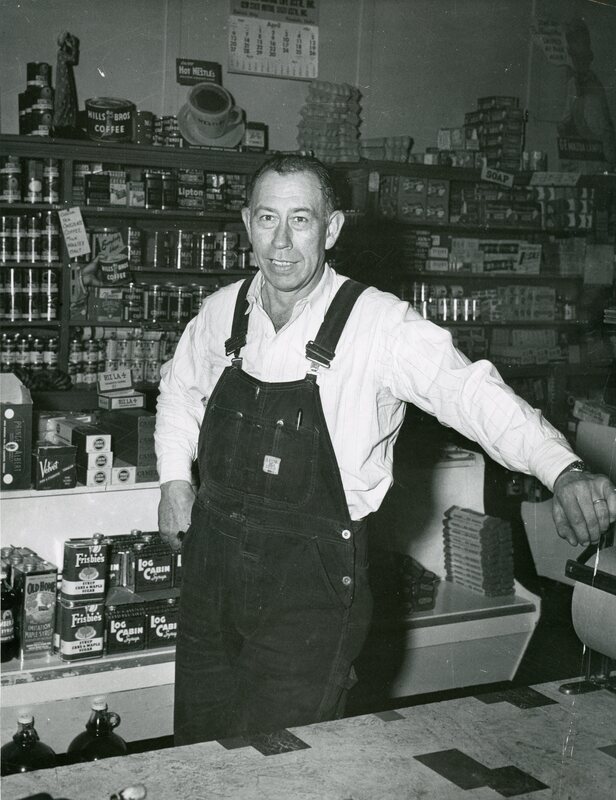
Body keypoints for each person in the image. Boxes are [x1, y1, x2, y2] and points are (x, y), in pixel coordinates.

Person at [155, 153, 616, 746]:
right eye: (268, 219)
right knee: (196, 747)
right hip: (212, 570)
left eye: (302, 220)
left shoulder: (380, 324)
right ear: (247, 224)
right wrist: (174, 480)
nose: (283, 242)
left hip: (311, 584)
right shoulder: (222, 311)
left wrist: (564, 469)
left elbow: (472, 393)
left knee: (282, 760)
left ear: (333, 228)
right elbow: (179, 388)